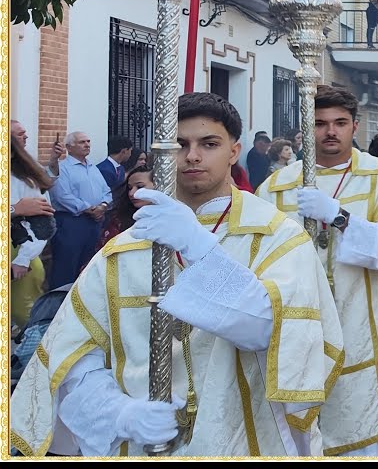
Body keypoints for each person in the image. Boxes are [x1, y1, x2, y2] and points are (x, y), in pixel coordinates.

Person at [11, 92, 344, 456]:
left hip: (245, 443)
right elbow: (73, 356)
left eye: (209, 143)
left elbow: (271, 331)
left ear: (233, 152)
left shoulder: (277, 236)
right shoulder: (123, 251)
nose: (193, 156)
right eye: (180, 144)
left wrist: (198, 248)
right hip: (142, 444)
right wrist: (118, 412)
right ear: (162, 154)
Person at [258, 85, 378, 456]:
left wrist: (338, 217)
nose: (330, 131)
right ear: (306, 129)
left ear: (354, 126)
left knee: (365, 413)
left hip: (364, 314)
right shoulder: (277, 187)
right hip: (298, 318)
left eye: (340, 123)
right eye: (321, 123)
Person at [47, 131, 112, 289]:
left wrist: (103, 206)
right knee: (66, 267)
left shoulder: (93, 168)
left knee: (87, 265)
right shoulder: (63, 168)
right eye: (82, 142)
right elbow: (62, 196)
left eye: (88, 141)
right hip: (71, 223)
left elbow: (107, 191)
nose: (87, 144)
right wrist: (89, 209)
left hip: (94, 223)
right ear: (69, 147)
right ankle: (59, 305)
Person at [10, 134, 56, 328]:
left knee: (27, 319)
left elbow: (42, 226)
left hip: (16, 253)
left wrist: (22, 259)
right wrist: (13, 209)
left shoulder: (24, 182)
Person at [100, 164, 154, 249]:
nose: (131, 193)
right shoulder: (119, 221)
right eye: (129, 188)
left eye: (139, 187)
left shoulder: (174, 216)